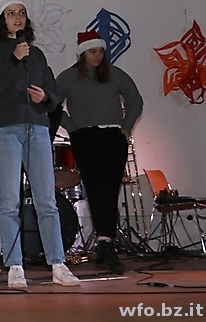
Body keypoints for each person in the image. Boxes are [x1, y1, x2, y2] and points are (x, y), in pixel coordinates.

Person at [0, 0, 80, 288]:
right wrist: (14, 58)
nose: (17, 18)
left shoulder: (37, 55)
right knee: (10, 202)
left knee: (47, 201)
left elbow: (53, 95)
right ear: (1, 20)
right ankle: (15, 266)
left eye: (21, 12)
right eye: (11, 13)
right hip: (5, 130)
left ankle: (58, 264)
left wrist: (44, 97)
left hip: (37, 128)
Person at [56, 29, 143, 274]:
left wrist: (126, 126)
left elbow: (135, 100)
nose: (98, 55)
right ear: (82, 53)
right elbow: (51, 105)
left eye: (101, 51)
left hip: (112, 136)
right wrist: (72, 128)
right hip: (85, 137)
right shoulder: (69, 77)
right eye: (93, 51)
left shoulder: (114, 74)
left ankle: (107, 242)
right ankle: (105, 244)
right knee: (95, 189)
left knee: (110, 189)